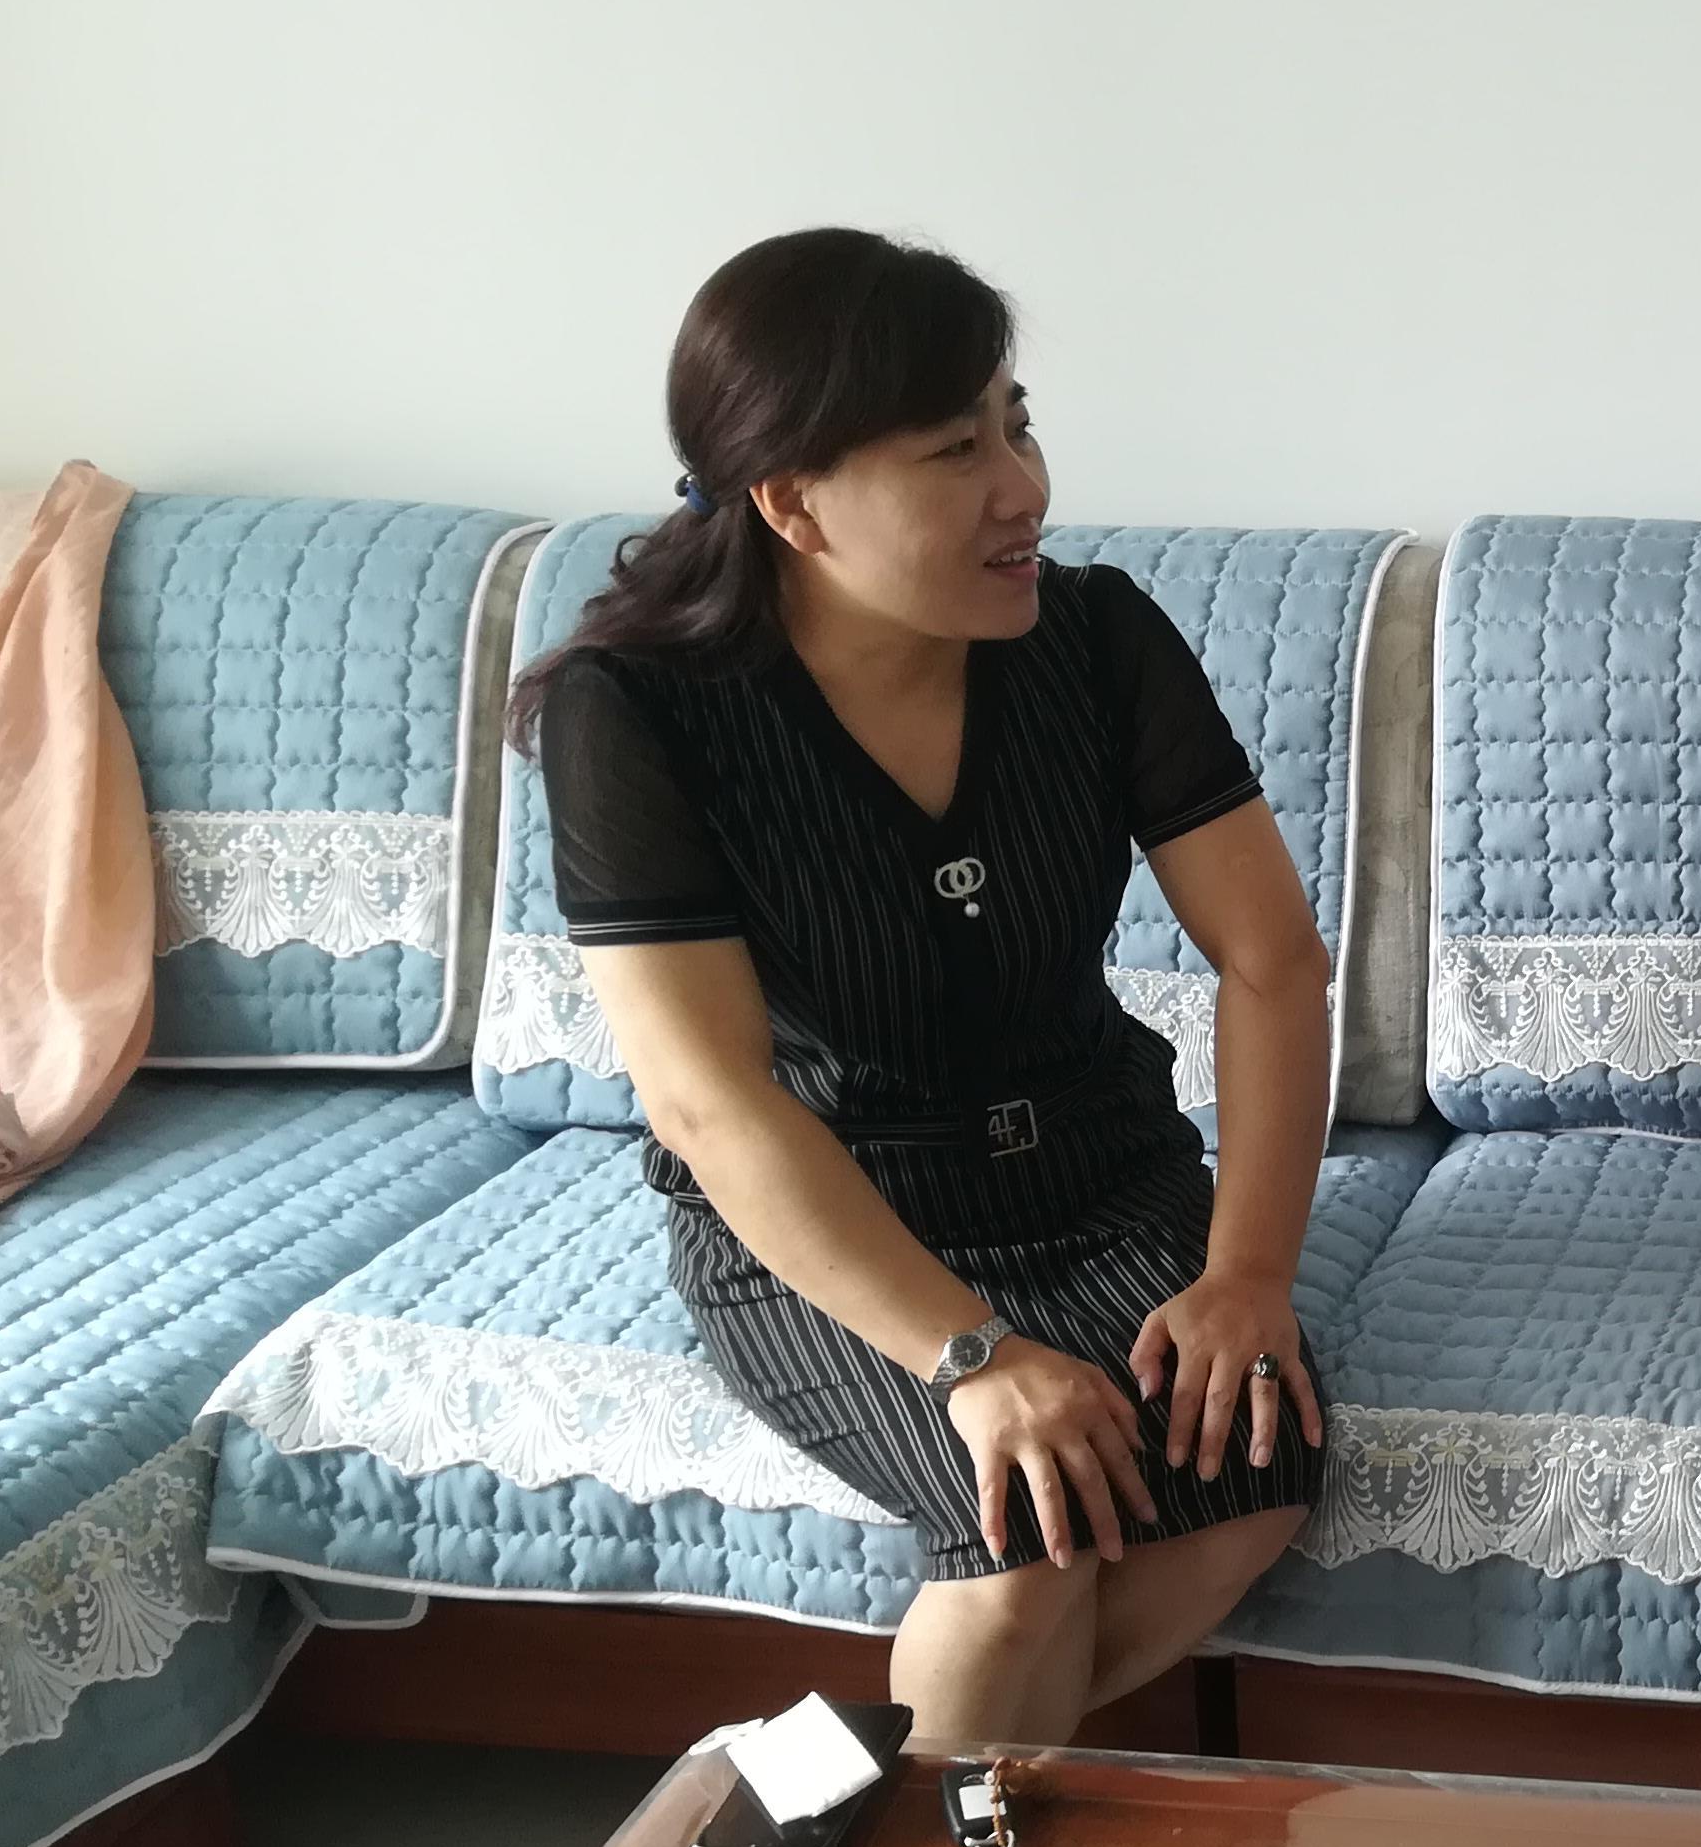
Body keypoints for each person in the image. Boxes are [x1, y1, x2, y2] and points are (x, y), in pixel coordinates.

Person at [518, 228, 1331, 1749]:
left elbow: (1272, 958)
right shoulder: (635, 712)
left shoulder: (1098, 638)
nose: (1023, 489)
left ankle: (878, 1803)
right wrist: (974, 1359)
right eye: (956, 451)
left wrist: (1248, 1277)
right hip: (836, 1223)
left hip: (1099, 1177)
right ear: (793, 500)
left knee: (1251, 1479)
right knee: (1031, 1550)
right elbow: (710, 1100)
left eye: (1018, 427)